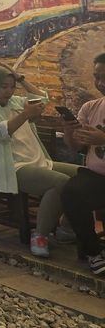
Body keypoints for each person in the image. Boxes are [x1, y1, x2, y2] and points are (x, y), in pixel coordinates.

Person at [0, 66, 79, 257]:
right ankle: (39, 235)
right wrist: (26, 115)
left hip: (37, 161)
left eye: (12, 87)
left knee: (85, 175)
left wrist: (20, 78)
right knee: (60, 182)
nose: (9, 91)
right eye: (4, 86)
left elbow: (43, 98)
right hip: (11, 166)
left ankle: (66, 229)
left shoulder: (15, 102)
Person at [60, 53, 105, 273]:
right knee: (72, 193)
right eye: (96, 77)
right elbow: (76, 148)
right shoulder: (90, 107)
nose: (100, 83)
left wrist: (103, 139)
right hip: (97, 175)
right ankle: (94, 253)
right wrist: (70, 133)